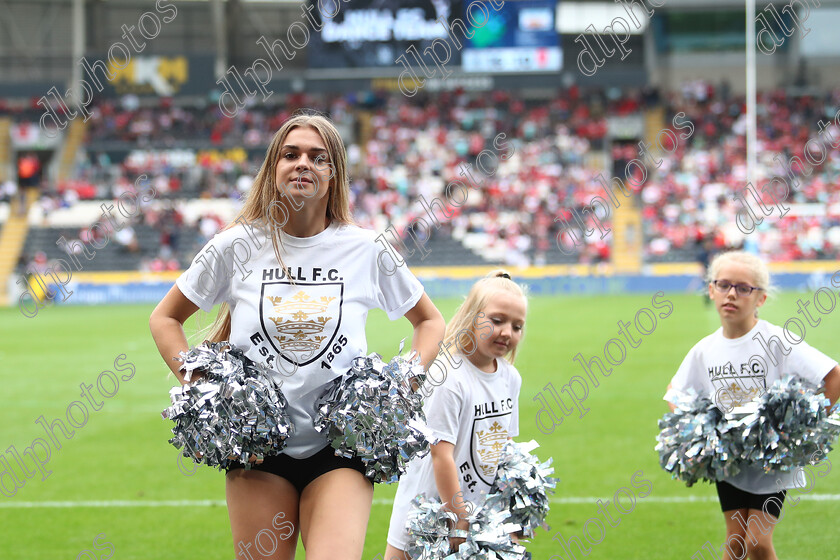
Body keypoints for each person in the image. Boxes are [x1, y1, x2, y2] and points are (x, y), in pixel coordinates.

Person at [149, 113, 445, 560]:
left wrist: (402, 389)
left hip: (340, 446)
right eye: (290, 154)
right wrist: (202, 390)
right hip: (258, 450)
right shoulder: (237, 245)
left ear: (333, 173)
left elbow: (430, 322)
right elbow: (165, 318)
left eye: (317, 157)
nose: (302, 163)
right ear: (273, 168)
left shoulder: (365, 249)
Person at [665, 251, 840, 560]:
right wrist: (695, 438)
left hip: (773, 461)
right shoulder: (704, 350)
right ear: (711, 291)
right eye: (723, 285)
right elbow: (675, 393)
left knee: (757, 542)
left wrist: (806, 431)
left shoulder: (776, 340)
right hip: (730, 461)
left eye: (743, 288)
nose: (731, 293)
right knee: (735, 543)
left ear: (760, 298)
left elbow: (833, 375)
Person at [384, 270, 527, 559]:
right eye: (497, 320)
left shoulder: (511, 378)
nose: (506, 332)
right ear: (473, 316)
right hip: (426, 512)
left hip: (474, 512)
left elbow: (505, 450)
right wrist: (457, 517)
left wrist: (510, 511)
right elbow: (441, 455)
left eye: (517, 326)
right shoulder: (448, 376)